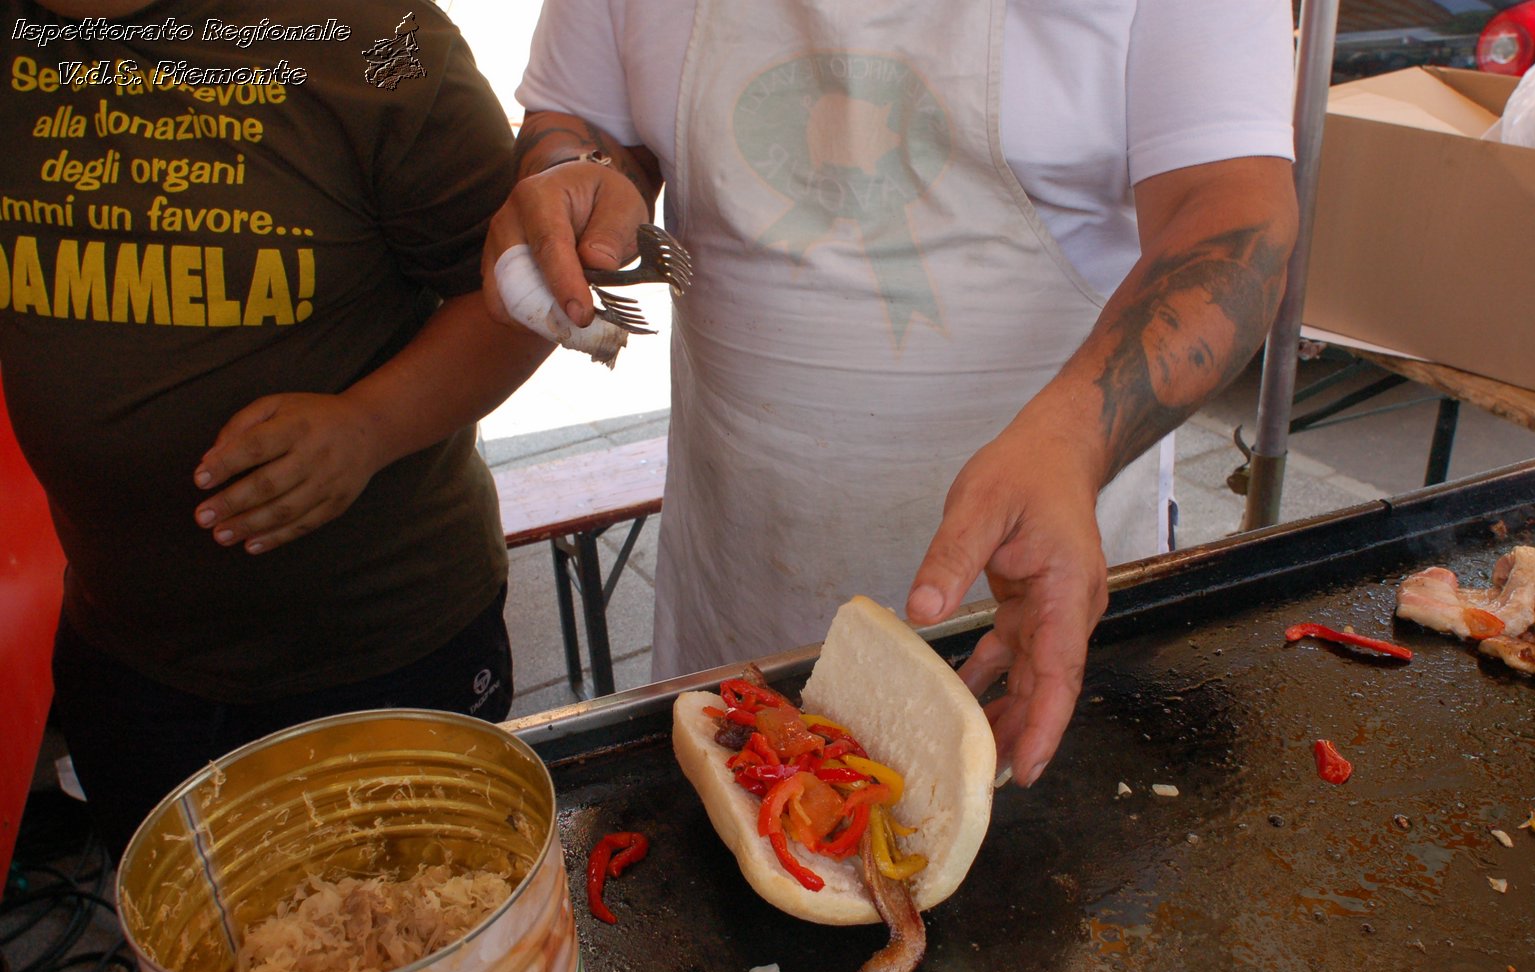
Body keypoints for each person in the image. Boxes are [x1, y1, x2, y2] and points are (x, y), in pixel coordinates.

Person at [485, 0, 1298, 788]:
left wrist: (1073, 444)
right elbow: (582, 116)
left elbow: (1235, 212)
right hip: (742, 581)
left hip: (1032, 597)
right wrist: (576, 172)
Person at [0, 0, 554, 855]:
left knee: (414, 948)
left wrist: (368, 426)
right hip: (125, 651)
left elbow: (522, 295)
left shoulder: (371, 33)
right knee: (191, 958)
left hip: (379, 650)